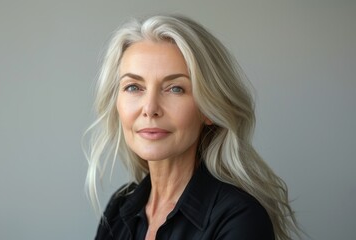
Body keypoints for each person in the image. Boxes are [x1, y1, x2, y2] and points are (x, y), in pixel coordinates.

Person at [84, 15, 300, 240]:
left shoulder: (240, 218)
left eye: (175, 88)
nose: (150, 108)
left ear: (208, 108)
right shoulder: (118, 209)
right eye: (133, 87)